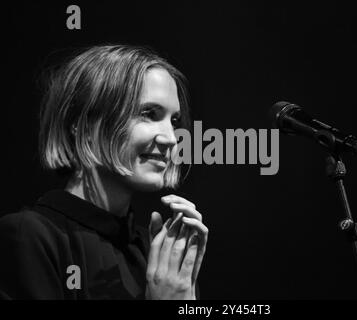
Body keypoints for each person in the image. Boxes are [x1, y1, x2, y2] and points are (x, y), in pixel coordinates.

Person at [0, 44, 208, 300]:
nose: (171, 139)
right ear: (85, 126)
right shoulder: (29, 237)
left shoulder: (159, 255)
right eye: (148, 114)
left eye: (174, 121)